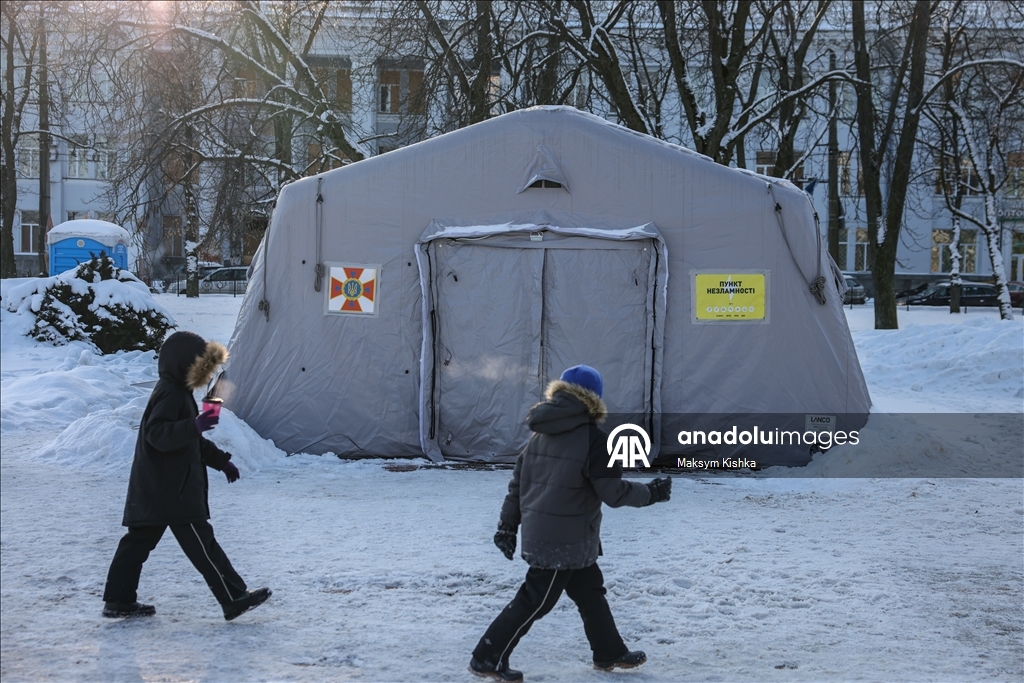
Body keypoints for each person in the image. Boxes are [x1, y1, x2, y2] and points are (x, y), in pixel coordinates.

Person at [470, 365, 672, 681]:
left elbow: (517, 486)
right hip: (562, 542)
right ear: (594, 399)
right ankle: (486, 658)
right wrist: (652, 493)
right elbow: (614, 493)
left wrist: (507, 527)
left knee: (590, 591)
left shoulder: (539, 435)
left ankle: (609, 652)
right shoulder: (594, 440)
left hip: (564, 537)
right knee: (535, 602)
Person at [102, 331, 271, 621]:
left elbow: (188, 441)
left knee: (136, 544)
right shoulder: (171, 393)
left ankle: (118, 600)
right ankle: (233, 598)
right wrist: (194, 425)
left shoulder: (175, 392)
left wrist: (221, 461)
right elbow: (158, 435)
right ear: (184, 364)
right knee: (202, 545)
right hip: (172, 492)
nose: (206, 372)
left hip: (160, 489)